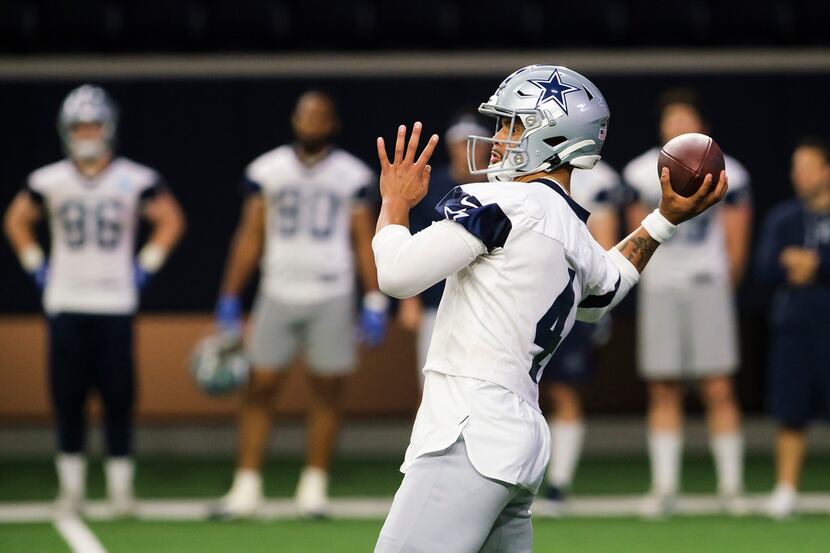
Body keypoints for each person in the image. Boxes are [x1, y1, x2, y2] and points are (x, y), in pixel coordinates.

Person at [371, 64, 727, 552]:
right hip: (520, 440)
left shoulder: (499, 202)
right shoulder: (573, 231)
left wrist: (393, 204)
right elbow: (605, 293)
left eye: (511, 124)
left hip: (470, 430)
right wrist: (663, 220)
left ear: (553, 134)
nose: (496, 138)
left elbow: (396, 275)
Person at [3, 85, 185, 516]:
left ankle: (121, 492)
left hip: (115, 302)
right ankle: (72, 491)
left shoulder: (134, 178)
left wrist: (147, 263)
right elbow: (16, 220)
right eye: (79, 125)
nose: (86, 132)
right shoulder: (49, 179)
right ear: (67, 130)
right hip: (65, 300)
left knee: (119, 399)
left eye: (93, 124)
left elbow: (170, 220)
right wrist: (34, 263)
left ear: (109, 128)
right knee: (68, 400)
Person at [211, 90, 387, 519]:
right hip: (278, 289)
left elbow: (363, 240)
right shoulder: (267, 171)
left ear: (333, 124)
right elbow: (250, 236)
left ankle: (314, 487)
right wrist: (230, 294)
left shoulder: (352, 175)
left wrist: (374, 297)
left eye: (319, 117)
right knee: (260, 386)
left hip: (331, 290)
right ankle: (246, 488)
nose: (311, 124)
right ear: (294, 121)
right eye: (305, 116)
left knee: (327, 390)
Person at [623, 88, 752, 517]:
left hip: (705, 282)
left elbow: (736, 241)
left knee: (718, 387)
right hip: (661, 286)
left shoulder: (730, 171)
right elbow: (633, 238)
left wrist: (722, 283)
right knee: (663, 388)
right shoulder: (642, 172)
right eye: (671, 118)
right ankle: (664, 488)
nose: (677, 125)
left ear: (702, 124)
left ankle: (731, 487)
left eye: (685, 117)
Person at [539, 161, 621, 509]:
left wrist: (604, 299)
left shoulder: (598, 179)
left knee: (564, 391)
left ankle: (558, 482)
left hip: (567, 295)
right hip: (526, 291)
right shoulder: (521, 171)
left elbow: (604, 239)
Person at [756, 137, 830, 519]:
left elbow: (812, 266)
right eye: (794, 168)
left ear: (826, 171)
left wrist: (817, 266)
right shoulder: (783, 218)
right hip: (793, 328)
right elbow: (764, 270)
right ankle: (786, 489)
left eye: (807, 167)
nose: (798, 175)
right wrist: (790, 265)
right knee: (790, 411)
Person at [397, 113, 490, 382]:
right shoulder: (431, 185)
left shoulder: (503, 185)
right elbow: (411, 238)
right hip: (436, 300)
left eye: (475, 142)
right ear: (450, 146)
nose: (469, 149)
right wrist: (409, 299)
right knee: (431, 384)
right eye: (462, 143)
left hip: (489, 298)